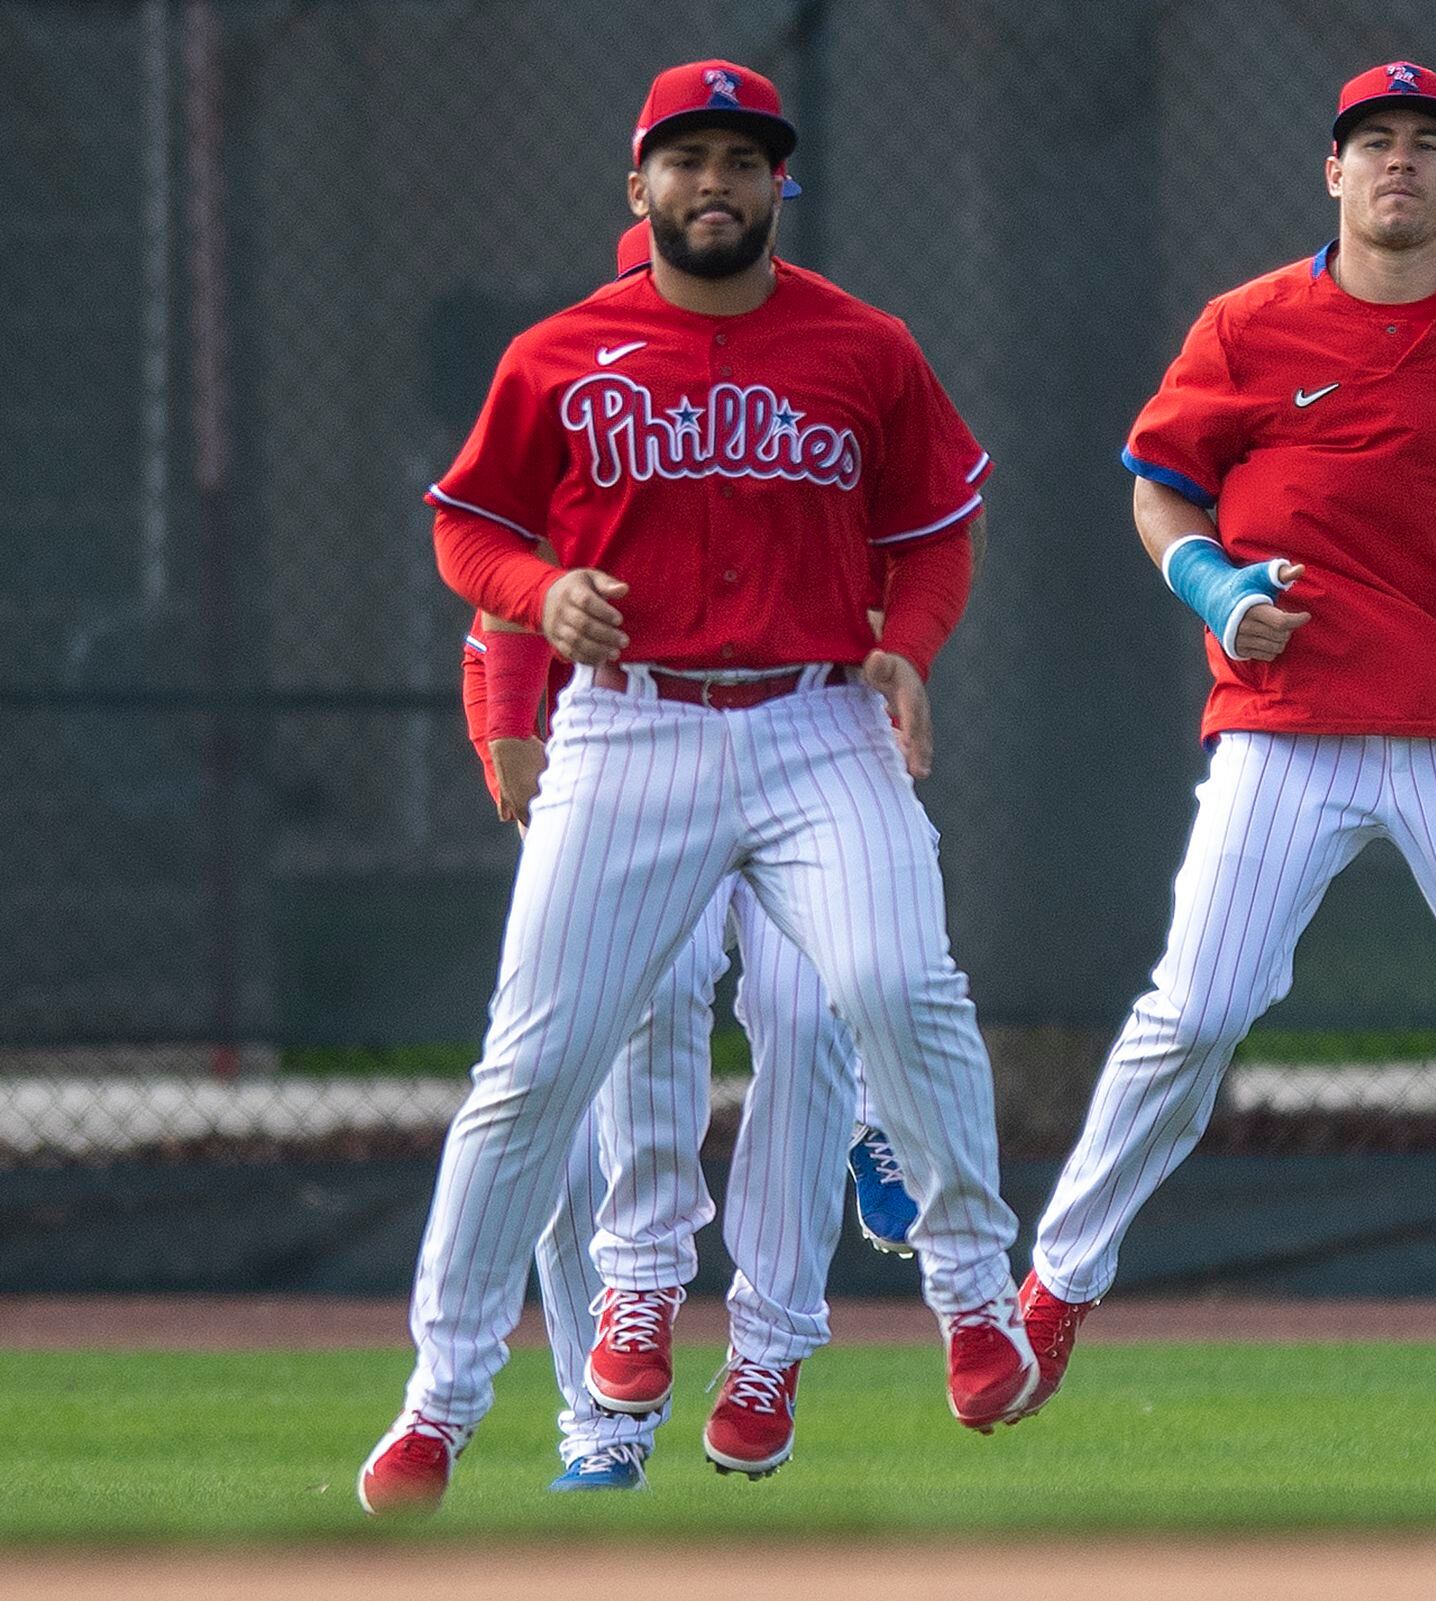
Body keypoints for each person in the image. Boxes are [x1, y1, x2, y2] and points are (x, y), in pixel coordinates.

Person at [359, 60, 1033, 1516]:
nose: (713, 181)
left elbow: (935, 532)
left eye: (740, 158)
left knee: (896, 985)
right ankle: (440, 1404)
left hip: (817, 721)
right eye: (686, 159)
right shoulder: (561, 353)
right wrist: (538, 595)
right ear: (640, 186)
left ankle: (976, 1294)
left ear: (780, 182)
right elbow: (469, 529)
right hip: (632, 731)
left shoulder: (865, 346)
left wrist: (910, 645)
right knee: (533, 1069)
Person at [1015, 61, 1436, 1506]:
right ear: (1332, 170)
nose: (1399, 163)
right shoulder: (1248, 324)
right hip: (1290, 716)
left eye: (1427, 144)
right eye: (1374, 141)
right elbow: (1158, 488)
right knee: (1199, 1006)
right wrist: (1212, 584)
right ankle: (1056, 1288)